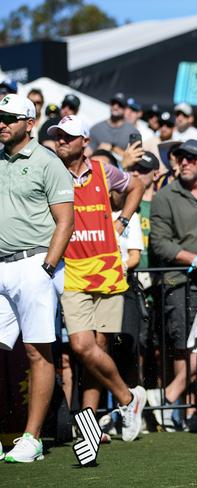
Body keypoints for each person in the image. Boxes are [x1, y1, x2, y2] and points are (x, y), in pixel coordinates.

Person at [49, 114, 147, 443]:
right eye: (58, 135)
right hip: (71, 271)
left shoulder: (104, 170)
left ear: (84, 142)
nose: (61, 140)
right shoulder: (51, 171)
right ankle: (129, 398)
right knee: (83, 347)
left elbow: (137, 185)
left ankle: (90, 431)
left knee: (99, 349)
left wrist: (123, 221)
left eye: (68, 136)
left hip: (107, 270)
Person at [0, 94, 74, 462]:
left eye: (10, 118)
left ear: (29, 123)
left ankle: (33, 439)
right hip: (0, 267)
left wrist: (47, 267)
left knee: (37, 350)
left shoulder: (48, 162)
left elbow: (66, 221)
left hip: (34, 265)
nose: (2, 123)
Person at [149, 139, 197, 432]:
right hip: (182, 281)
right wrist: (196, 260)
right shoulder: (165, 196)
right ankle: (181, 410)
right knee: (183, 347)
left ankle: (175, 403)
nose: (185, 162)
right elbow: (160, 243)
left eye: (192, 157)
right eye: (181, 158)